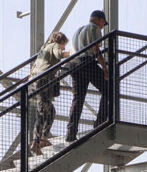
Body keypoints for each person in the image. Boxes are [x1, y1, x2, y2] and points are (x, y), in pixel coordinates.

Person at [65, 10, 110, 143]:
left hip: (73, 64)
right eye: (103, 24)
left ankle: (71, 132)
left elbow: (71, 51)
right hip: (86, 62)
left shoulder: (78, 30)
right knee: (108, 89)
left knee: (78, 98)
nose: (102, 27)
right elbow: (96, 50)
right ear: (101, 20)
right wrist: (104, 68)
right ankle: (101, 122)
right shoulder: (94, 29)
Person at [27, 31, 68, 157]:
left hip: (34, 81)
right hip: (43, 81)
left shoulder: (43, 48)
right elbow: (59, 54)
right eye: (64, 45)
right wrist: (72, 52)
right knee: (43, 111)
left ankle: (43, 138)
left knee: (50, 111)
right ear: (60, 42)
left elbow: (34, 66)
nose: (64, 47)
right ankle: (36, 142)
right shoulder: (54, 46)